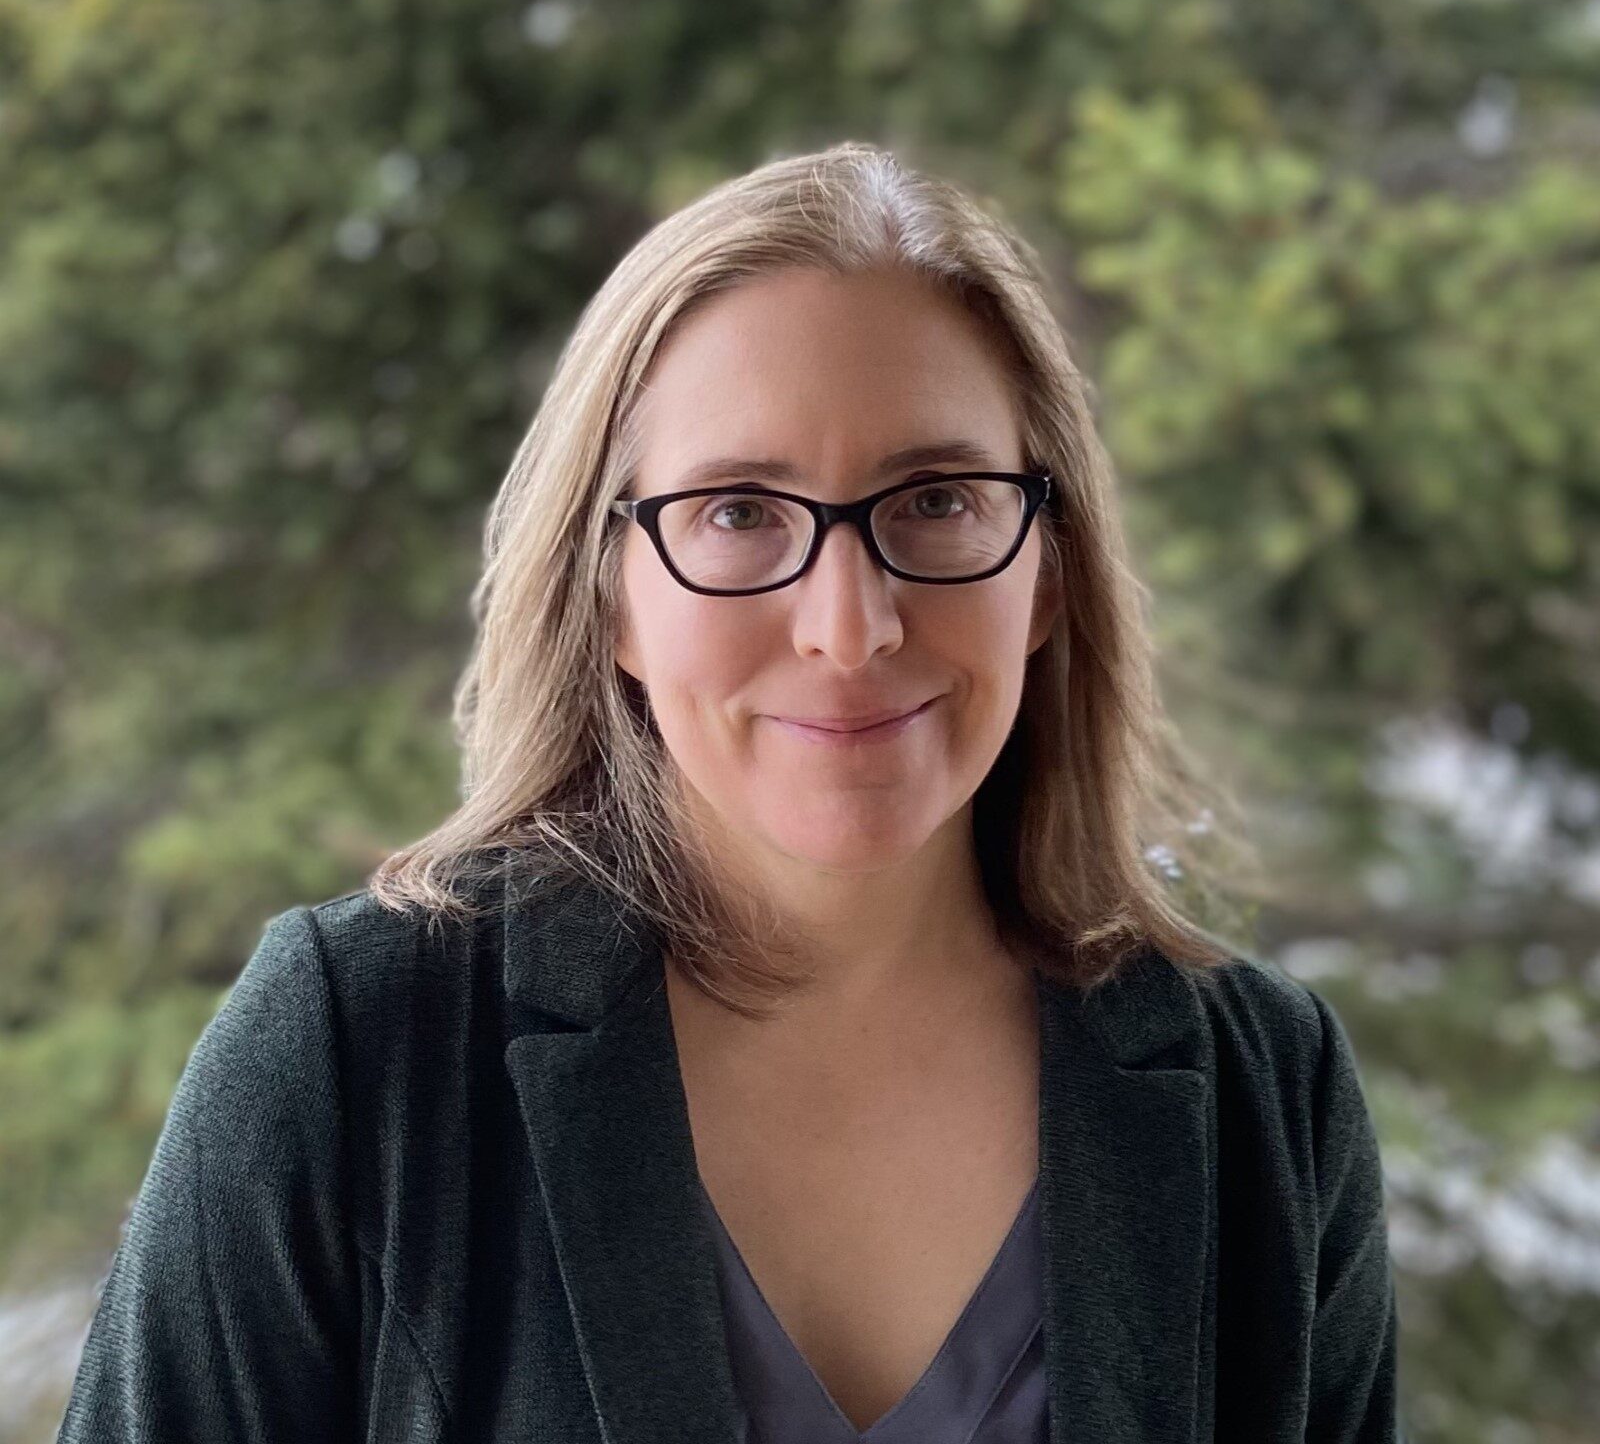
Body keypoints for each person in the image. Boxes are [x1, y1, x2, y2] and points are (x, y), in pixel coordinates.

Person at [57, 143, 1406, 1442]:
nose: (848, 626)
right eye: (738, 513)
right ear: (611, 596)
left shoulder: (1260, 1093)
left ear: (1047, 571)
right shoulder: (358, 1051)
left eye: (936, 499)